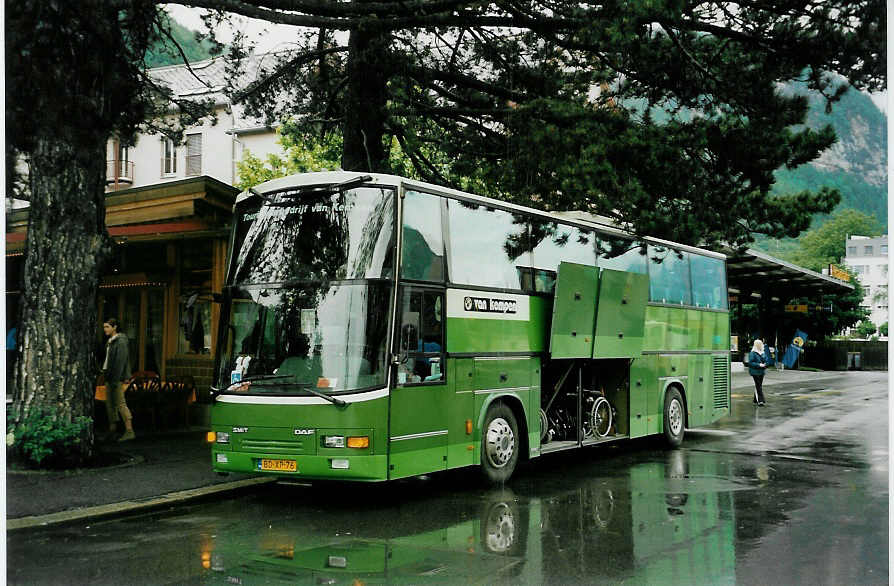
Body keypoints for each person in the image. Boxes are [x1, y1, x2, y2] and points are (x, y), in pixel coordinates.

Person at [102, 318, 135, 441]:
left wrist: (117, 378)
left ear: (114, 327)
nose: (105, 329)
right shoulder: (110, 341)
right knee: (110, 404)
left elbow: (121, 361)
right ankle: (112, 430)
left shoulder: (120, 341)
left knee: (121, 403)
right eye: (104, 327)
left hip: (116, 377)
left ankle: (129, 430)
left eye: (107, 327)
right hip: (109, 375)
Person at [745, 338, 770, 406]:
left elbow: (767, 360)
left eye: (760, 344)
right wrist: (759, 365)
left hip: (761, 371)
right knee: (758, 385)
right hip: (755, 372)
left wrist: (765, 364)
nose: (760, 345)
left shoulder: (763, 352)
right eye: (759, 344)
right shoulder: (752, 353)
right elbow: (750, 363)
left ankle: (755, 400)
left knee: (758, 385)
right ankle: (760, 400)